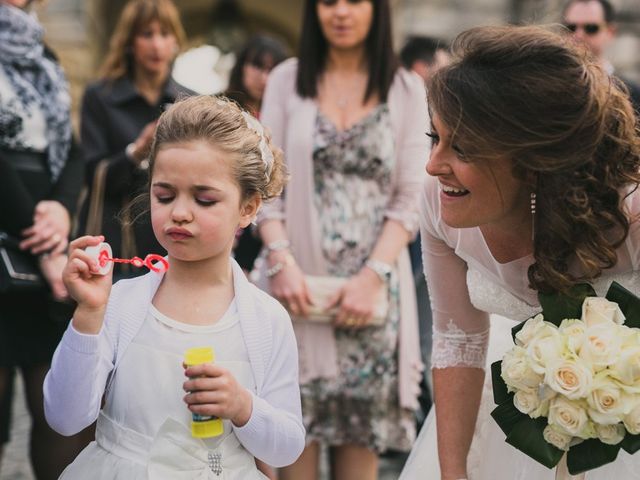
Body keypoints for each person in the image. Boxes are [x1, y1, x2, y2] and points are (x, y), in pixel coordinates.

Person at [399, 25, 640, 480]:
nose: (433, 165)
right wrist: (454, 473)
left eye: (462, 147)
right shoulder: (437, 200)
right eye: (435, 137)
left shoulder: (629, 216)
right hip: (501, 418)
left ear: (534, 162)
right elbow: (458, 342)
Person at [43, 95, 305, 478]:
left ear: (248, 208)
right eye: (164, 195)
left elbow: (285, 449)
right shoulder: (121, 303)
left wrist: (243, 406)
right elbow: (65, 418)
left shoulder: (266, 320)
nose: (179, 212)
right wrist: (88, 314)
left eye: (204, 199)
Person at [257, 0, 428, 478]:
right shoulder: (287, 80)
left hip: (370, 297)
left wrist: (373, 276)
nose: (341, 12)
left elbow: (410, 197)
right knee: (292, 443)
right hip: (294, 290)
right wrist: (280, 262)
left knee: (359, 448)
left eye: (354, 0)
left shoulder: (406, 88)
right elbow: (264, 186)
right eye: (328, 1)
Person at [0, 1, 94, 478]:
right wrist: (43, 241)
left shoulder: (47, 58)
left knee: (57, 416)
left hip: (45, 246)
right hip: (18, 237)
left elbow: (72, 149)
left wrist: (60, 207)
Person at [78, 0, 193, 280]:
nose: (157, 45)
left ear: (176, 42)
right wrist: (136, 151)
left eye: (165, 34)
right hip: (115, 240)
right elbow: (92, 173)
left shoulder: (189, 102)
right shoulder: (100, 96)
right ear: (129, 42)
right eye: (147, 34)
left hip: (170, 237)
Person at [224, 34, 288, 274]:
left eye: (272, 70)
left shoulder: (288, 120)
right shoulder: (221, 108)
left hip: (269, 217)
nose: (265, 78)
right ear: (242, 66)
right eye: (257, 66)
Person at [562, 0, 640, 112]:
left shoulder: (633, 94)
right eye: (571, 27)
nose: (578, 35)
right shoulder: (550, 84)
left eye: (591, 28)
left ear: (610, 32)